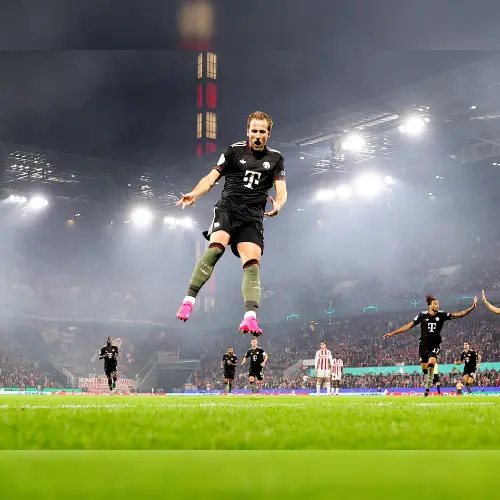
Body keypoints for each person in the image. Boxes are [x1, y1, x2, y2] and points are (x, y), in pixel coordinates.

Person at [175, 111, 287, 336]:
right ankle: (188, 301)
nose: (257, 135)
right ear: (247, 131)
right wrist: (195, 193)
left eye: (262, 131)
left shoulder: (276, 158)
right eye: (253, 131)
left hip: (253, 217)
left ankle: (250, 317)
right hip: (228, 210)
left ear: (268, 134)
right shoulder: (233, 151)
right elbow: (211, 178)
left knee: (252, 263)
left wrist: (279, 204)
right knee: (216, 248)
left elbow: (281, 190)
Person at [383, 294, 477, 397]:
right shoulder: (422, 315)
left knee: (431, 363)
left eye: (438, 304)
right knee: (425, 369)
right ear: (430, 305)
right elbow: (408, 326)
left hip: (435, 345)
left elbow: (459, 314)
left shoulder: (442, 315)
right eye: (435, 304)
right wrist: (393, 333)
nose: (438, 305)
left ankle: (427, 390)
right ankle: (431, 379)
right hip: (423, 346)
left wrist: (472, 307)